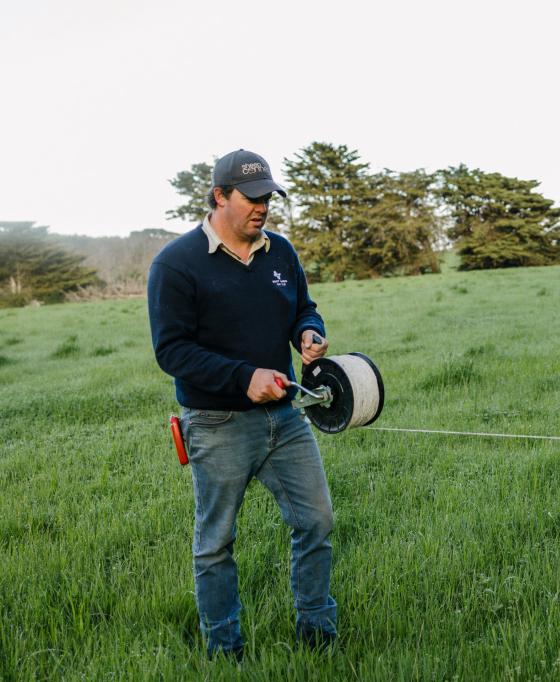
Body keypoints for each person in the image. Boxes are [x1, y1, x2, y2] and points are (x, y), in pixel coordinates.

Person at [147, 149, 336, 660]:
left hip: (284, 418)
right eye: (252, 198)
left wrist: (308, 333)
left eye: (269, 198)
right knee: (217, 543)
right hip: (216, 422)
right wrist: (242, 377)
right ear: (219, 197)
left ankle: (318, 637)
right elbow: (172, 351)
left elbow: (303, 307)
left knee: (316, 522)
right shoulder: (176, 264)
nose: (263, 207)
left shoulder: (280, 252)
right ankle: (223, 649)